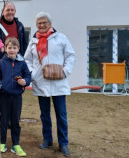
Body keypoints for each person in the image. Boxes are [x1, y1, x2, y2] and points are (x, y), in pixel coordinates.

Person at [24, 12, 75, 157]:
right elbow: (27, 59)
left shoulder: (60, 38)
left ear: (50, 24)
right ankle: (47, 139)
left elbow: (71, 56)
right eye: (39, 23)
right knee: (44, 114)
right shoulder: (33, 41)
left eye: (44, 22)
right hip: (41, 82)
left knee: (61, 114)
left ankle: (63, 143)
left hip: (58, 82)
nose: (42, 25)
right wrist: (33, 73)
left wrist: (65, 72)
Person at [0, 37, 31, 157]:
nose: (12, 50)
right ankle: (2, 142)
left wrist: (25, 81)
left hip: (17, 96)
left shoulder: (22, 63)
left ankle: (15, 144)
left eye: (14, 48)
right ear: (5, 49)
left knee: (15, 121)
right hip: (4, 96)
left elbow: (28, 75)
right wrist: (1, 85)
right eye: (9, 48)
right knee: (3, 120)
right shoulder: (1, 63)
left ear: (18, 49)